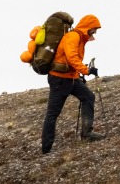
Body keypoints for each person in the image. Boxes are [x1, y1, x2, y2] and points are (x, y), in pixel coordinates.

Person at [41, 14, 104, 154]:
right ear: (87, 27)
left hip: (70, 78)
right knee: (53, 113)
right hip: (59, 79)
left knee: (88, 97)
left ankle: (87, 133)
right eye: (94, 29)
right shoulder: (73, 37)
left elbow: (69, 61)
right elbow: (71, 58)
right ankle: (46, 149)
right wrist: (86, 70)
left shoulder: (80, 39)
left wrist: (78, 76)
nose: (95, 32)